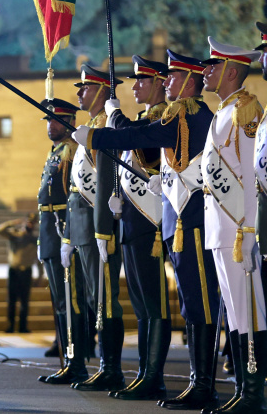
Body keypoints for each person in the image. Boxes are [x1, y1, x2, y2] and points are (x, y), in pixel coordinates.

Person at [73, 49, 221, 410]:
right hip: (173, 220)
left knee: (198, 304)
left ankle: (197, 384)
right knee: (184, 305)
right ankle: (185, 381)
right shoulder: (180, 116)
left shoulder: (192, 115)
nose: (167, 81)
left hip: (189, 220)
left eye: (172, 76)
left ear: (188, 81)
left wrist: (104, 128)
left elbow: (141, 136)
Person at [199, 36, 266, 414]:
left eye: (213, 65)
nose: (206, 71)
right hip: (220, 227)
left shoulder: (245, 110)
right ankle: (242, 389)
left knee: (249, 310)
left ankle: (254, 393)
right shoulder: (223, 113)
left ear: (230, 71)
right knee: (236, 313)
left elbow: (252, 177)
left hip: (239, 230)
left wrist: (250, 229)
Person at [104, 56, 172, 401]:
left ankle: (154, 377)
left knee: (155, 303)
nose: (134, 87)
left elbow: (136, 141)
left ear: (160, 83)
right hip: (133, 220)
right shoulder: (146, 119)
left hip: (151, 222)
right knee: (142, 305)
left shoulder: (164, 118)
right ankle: (145, 372)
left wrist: (114, 115)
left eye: (142, 80)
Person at [61, 65, 126, 392]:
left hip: (98, 226)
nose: (79, 94)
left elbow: (107, 181)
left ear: (102, 90)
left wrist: (103, 228)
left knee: (105, 298)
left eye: (85, 88)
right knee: (92, 297)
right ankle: (103, 365)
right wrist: (68, 235)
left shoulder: (105, 128)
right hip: (83, 226)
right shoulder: (89, 128)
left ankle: (111, 368)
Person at [32, 98, 89, 385]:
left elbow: (74, 197)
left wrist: (68, 237)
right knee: (60, 302)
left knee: (71, 301)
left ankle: (76, 363)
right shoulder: (56, 152)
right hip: (50, 232)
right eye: (48, 120)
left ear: (69, 123)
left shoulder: (72, 151)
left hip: (63, 229)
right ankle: (68, 361)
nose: (50, 125)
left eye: (55, 120)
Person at [0, 213, 38, 333]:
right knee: (11, 300)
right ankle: (10, 326)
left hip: (26, 271)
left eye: (32, 223)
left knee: (24, 301)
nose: (30, 225)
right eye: (28, 222)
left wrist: (40, 275)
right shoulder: (15, 235)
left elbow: (38, 258)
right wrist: (14, 223)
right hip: (14, 270)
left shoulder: (34, 239)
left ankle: (23, 327)